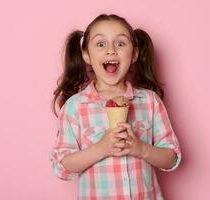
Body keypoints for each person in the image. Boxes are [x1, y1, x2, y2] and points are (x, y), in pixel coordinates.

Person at [50, 14, 181, 199]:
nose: (111, 50)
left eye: (120, 43)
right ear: (86, 55)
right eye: (101, 44)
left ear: (134, 53)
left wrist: (141, 148)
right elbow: (62, 166)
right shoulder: (75, 107)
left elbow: (171, 158)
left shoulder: (150, 101)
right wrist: (101, 148)